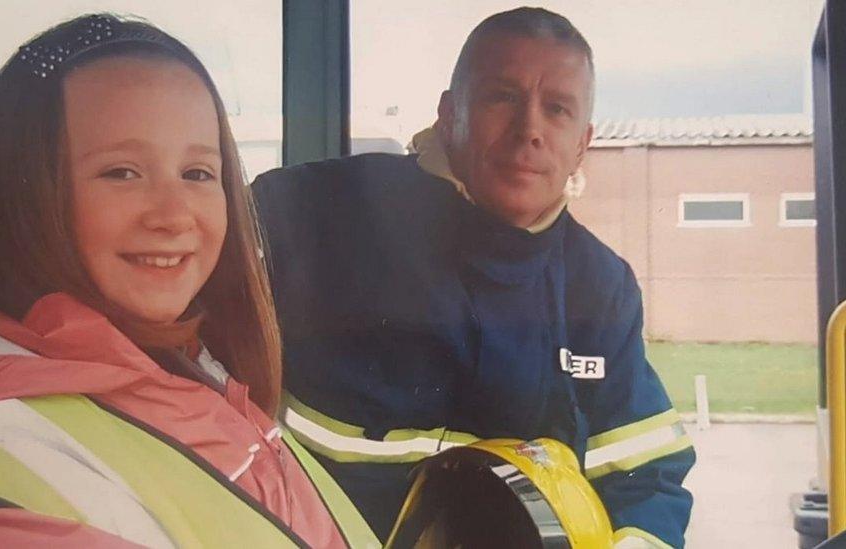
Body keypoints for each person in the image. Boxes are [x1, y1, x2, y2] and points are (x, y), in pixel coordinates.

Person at [0, 14, 376, 548]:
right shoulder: (16, 467)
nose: (174, 216)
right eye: (121, 172)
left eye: (198, 173)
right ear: (26, 197)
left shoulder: (193, 368)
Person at [253, 7, 694, 548]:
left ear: (582, 143)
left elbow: (646, 475)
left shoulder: (600, 288)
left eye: (556, 109)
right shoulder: (311, 212)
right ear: (448, 113)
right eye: (501, 97)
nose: (529, 129)